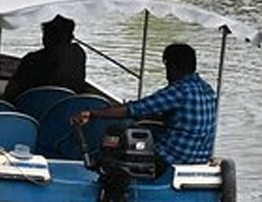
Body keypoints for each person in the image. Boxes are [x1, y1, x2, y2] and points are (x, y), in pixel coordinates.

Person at [73, 43, 216, 170]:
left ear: (172, 67)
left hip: (172, 158)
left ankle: (108, 177)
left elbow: (134, 109)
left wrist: (92, 113)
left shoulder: (179, 91)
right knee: (142, 130)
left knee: (117, 133)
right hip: (199, 158)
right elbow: (174, 114)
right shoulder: (207, 89)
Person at [3, 15, 87, 102]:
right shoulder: (79, 54)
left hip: (33, 106)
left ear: (48, 36)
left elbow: (10, 93)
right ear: (70, 35)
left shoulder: (32, 60)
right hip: (68, 106)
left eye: (45, 32)